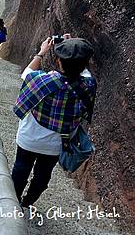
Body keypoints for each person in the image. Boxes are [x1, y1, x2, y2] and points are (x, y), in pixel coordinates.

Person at [11, 35, 96, 207]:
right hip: (56, 145)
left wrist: (42, 53)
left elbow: (26, 73)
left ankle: (12, 203)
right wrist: (74, 49)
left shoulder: (42, 80)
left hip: (29, 138)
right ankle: (27, 204)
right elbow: (83, 72)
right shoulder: (88, 85)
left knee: (21, 169)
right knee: (42, 177)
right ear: (84, 63)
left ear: (58, 61)